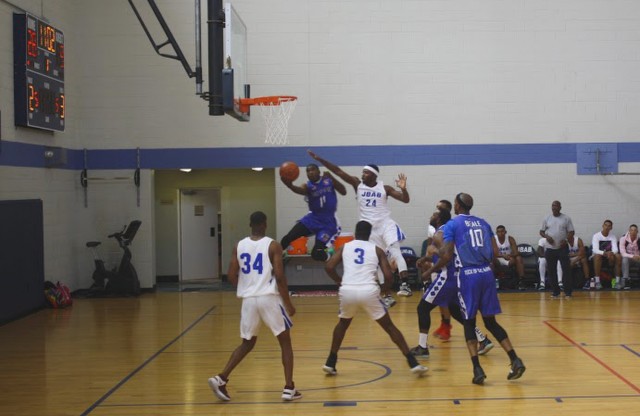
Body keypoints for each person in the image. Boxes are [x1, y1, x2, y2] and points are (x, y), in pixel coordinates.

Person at [423, 193, 525, 385]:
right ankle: (515, 359)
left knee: (469, 322)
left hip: (468, 275)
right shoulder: (483, 223)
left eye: (454, 204)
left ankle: (477, 369)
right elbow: (495, 253)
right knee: (491, 322)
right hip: (486, 273)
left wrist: (432, 257)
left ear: (458, 206)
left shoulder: (453, 224)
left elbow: (446, 254)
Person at [208, 211, 301, 402]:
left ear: (250, 224)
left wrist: (248, 284)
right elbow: (280, 276)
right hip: (269, 298)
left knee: (247, 343)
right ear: (265, 224)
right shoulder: (272, 244)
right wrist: (289, 303)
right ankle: (289, 387)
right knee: (285, 342)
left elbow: (231, 276)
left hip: (249, 300)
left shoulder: (239, 245)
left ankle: (221, 378)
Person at [322, 220, 428, 376]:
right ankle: (413, 363)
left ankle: (330, 362)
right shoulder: (376, 249)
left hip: (348, 290)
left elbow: (329, 266)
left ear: (355, 233)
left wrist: (339, 281)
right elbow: (388, 276)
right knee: (390, 327)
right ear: (369, 234)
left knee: (342, 324)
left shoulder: (345, 246)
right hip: (368, 290)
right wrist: (383, 290)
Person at [308, 150, 411, 306]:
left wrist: (403, 188)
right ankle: (386, 295)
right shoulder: (358, 184)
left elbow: (405, 200)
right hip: (368, 229)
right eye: (363, 172)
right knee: (377, 260)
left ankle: (405, 284)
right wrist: (319, 159)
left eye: (366, 173)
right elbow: (338, 171)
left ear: (374, 175)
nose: (363, 174)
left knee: (395, 250)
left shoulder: (385, 188)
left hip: (385, 224)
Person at [411, 208, 494, 359]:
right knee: (456, 311)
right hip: (455, 277)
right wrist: (428, 259)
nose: (431, 215)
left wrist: (429, 268)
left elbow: (446, 256)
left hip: (446, 277)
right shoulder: (446, 230)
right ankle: (483, 339)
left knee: (422, 308)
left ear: (438, 219)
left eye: (434, 213)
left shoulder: (440, 233)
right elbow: (451, 255)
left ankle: (422, 347)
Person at [280, 163, 347, 261]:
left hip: (328, 223)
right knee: (287, 238)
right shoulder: (308, 186)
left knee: (316, 253)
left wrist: (332, 178)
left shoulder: (328, 180)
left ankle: (329, 256)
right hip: (312, 219)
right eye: (308, 171)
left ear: (319, 171)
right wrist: (290, 186)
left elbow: (344, 191)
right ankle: (276, 258)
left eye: (313, 170)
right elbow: (299, 190)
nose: (310, 172)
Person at [540, 200, 574, 298]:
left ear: (560, 208)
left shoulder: (566, 218)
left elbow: (571, 232)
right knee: (551, 270)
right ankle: (555, 292)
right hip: (550, 249)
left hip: (562, 248)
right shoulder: (547, 218)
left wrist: (566, 240)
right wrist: (546, 237)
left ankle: (568, 292)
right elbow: (541, 231)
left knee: (566, 270)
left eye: (556, 206)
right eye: (553, 206)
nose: (554, 208)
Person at [590, 219, 622, 290]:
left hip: (610, 256)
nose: (607, 227)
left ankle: (617, 282)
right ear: (603, 226)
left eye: (609, 226)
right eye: (605, 225)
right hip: (598, 256)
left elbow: (615, 249)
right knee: (597, 256)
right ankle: (597, 282)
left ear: (611, 228)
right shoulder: (596, 236)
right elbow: (595, 250)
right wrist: (605, 253)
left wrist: (611, 253)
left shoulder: (613, 236)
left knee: (618, 256)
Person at [493, 225, 526, 290]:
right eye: (498, 232)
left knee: (518, 258)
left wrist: (510, 256)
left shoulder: (510, 238)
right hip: (498, 259)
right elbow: (493, 253)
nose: (500, 233)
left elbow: (516, 252)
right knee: (491, 259)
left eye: (502, 231)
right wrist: (503, 256)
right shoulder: (493, 239)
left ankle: (521, 281)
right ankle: (493, 281)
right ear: (496, 233)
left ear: (505, 232)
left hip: (509, 259)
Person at [618, 224, 639, 290]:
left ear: (637, 232)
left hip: (638, 259)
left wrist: (638, 257)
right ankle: (626, 280)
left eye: (635, 230)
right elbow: (623, 253)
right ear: (629, 231)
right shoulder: (623, 239)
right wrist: (633, 256)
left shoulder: (639, 239)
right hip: (628, 259)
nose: (633, 232)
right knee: (625, 259)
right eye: (631, 230)